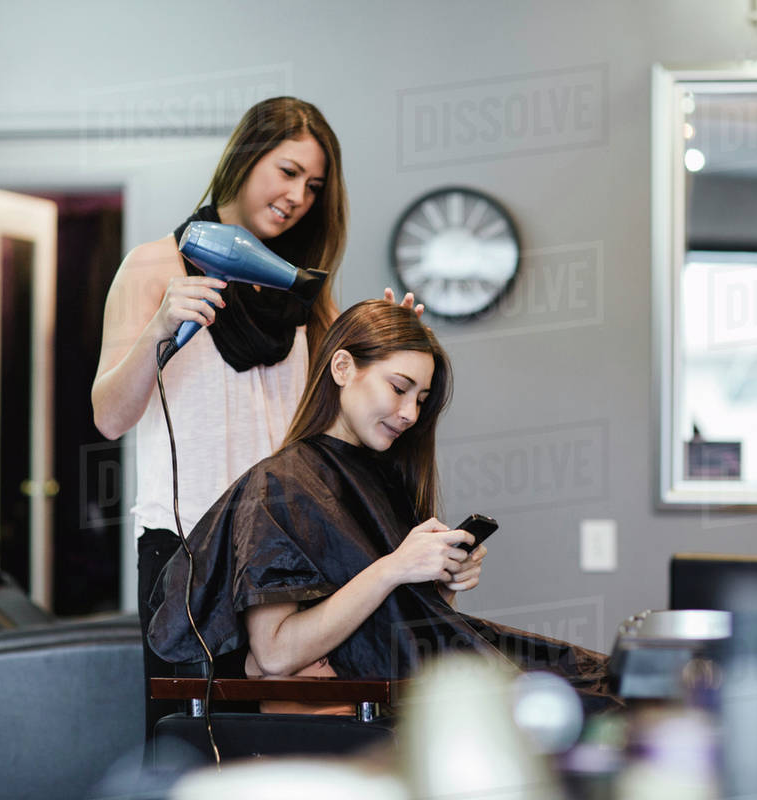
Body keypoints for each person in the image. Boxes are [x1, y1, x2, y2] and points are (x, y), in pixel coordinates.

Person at [91, 97, 417, 736]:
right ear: (245, 159)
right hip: (186, 551)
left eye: (314, 186)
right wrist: (159, 327)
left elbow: (333, 423)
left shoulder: (304, 292)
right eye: (288, 171)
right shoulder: (154, 268)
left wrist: (388, 357)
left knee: (287, 742)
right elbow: (108, 417)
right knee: (193, 739)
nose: (299, 196)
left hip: (282, 556)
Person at [148, 300, 613, 711]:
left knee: (611, 681)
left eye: (421, 399)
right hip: (369, 707)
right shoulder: (281, 485)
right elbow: (273, 653)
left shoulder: (385, 477)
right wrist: (395, 567)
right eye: (399, 387)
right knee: (586, 707)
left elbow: (396, 624)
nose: (411, 413)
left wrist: (442, 582)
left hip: (407, 683)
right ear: (343, 367)